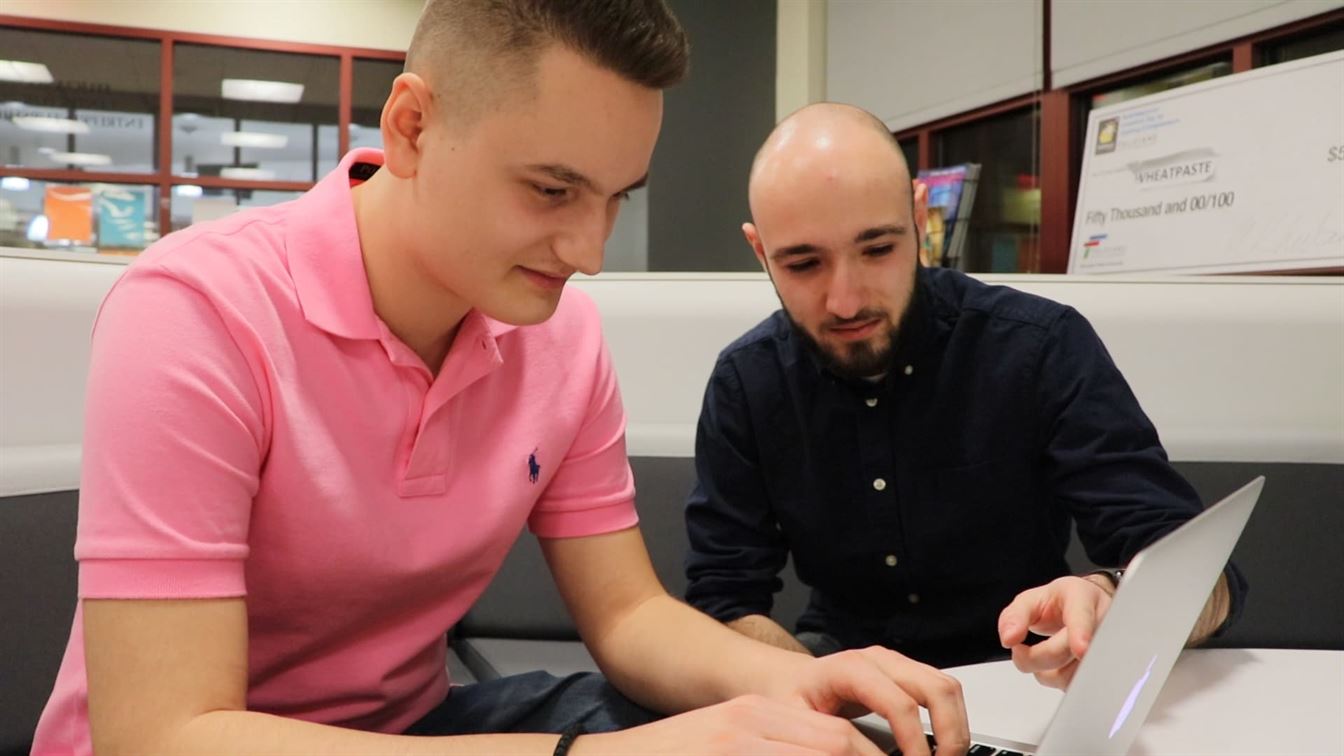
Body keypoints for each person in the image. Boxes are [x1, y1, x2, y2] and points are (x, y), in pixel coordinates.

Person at [31, 6, 971, 756]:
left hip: (412, 736)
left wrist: (796, 683)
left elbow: (630, 613)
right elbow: (160, 735)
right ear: (411, 127)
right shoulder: (196, 311)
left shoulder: (561, 338)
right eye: (553, 191)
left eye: (616, 198)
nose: (591, 252)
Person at [684, 102, 1246, 686]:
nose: (846, 300)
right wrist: (818, 688)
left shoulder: (1038, 348)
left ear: (920, 216)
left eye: (878, 249)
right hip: (839, 674)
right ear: (760, 252)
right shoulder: (746, 384)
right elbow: (724, 600)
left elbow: (1206, 576)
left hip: (1025, 670)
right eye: (803, 264)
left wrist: (1112, 597)